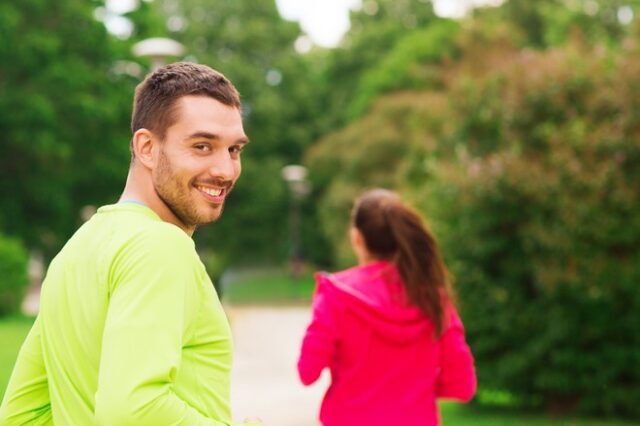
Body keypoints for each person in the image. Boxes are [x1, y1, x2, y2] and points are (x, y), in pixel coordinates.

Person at [0, 62, 259, 425]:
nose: (226, 170)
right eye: (202, 146)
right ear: (147, 147)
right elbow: (132, 408)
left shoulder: (75, 251)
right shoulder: (162, 247)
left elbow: (21, 415)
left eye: (234, 150)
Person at [297, 189, 477, 426]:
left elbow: (307, 371)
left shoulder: (335, 295)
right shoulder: (432, 297)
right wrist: (416, 391)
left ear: (357, 238)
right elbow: (462, 386)